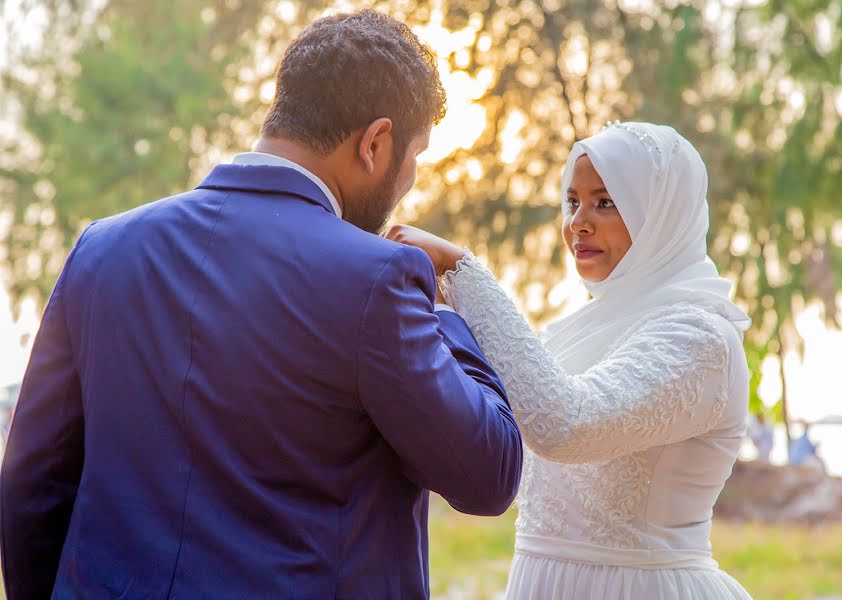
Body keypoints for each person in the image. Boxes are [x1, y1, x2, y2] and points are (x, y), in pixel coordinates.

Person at [0, 11, 522, 599]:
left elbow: (31, 482)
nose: (411, 178)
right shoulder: (381, 279)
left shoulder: (102, 249)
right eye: (416, 155)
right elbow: (487, 474)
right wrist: (447, 300)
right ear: (375, 143)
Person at [388, 122, 753, 599]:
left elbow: (564, 425)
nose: (579, 221)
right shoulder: (578, 332)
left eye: (606, 202)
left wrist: (463, 272)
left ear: (662, 215)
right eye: (572, 201)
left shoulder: (701, 337)